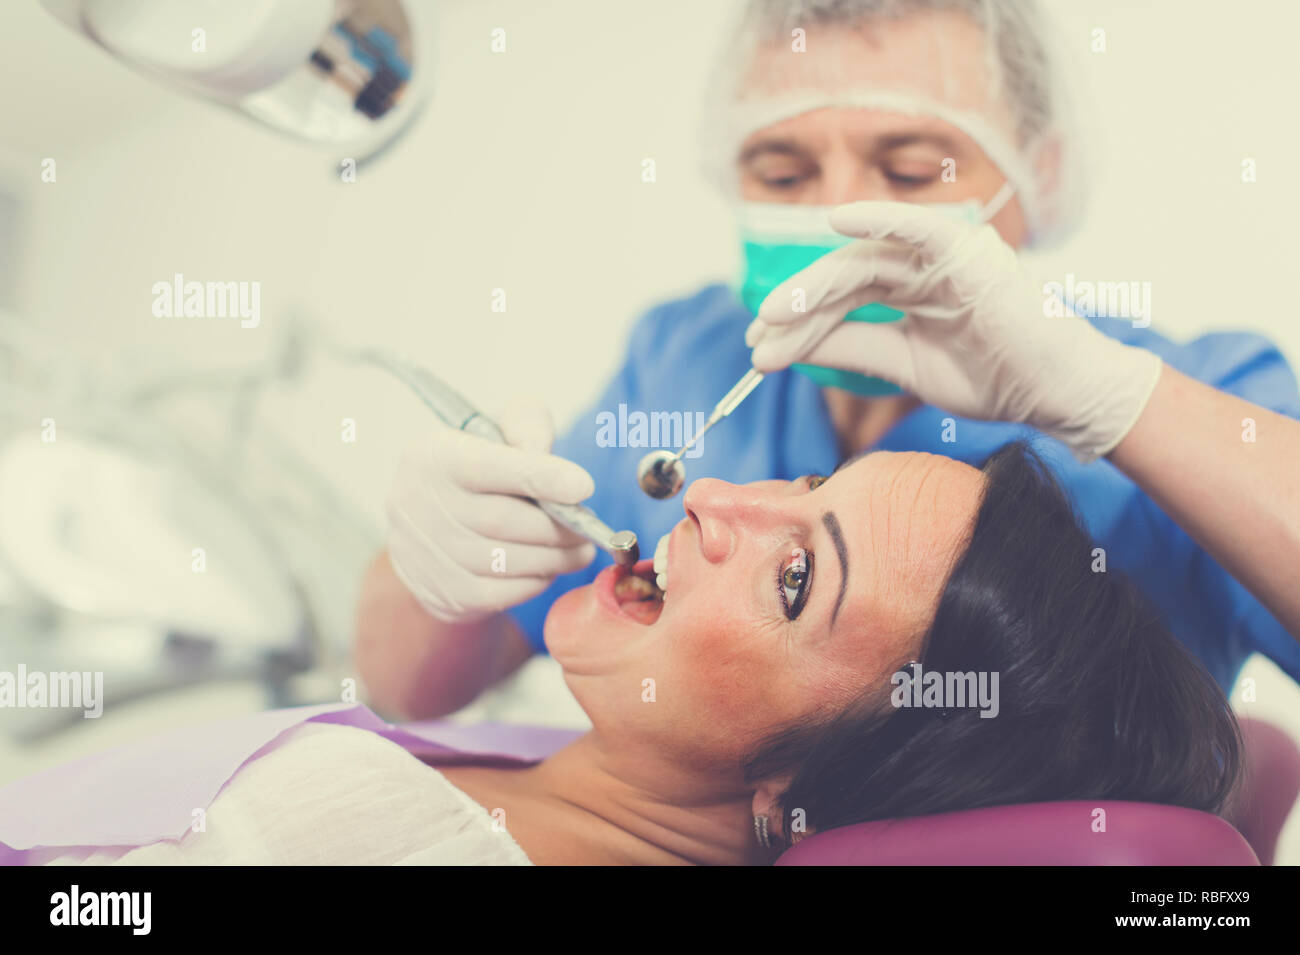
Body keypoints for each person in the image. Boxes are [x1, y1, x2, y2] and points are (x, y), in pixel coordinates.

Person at [356, 0, 1300, 721]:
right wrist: (439, 555)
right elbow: (409, 687)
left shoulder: (1199, 399)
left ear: (1036, 176)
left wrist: (1121, 406)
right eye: (783, 173)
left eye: (906, 168)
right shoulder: (685, 361)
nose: (834, 218)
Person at [14, 443, 1240, 865]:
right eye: (807, 485)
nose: (710, 495)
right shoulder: (566, 766)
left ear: (792, 798)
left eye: (796, 577)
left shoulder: (374, 839)